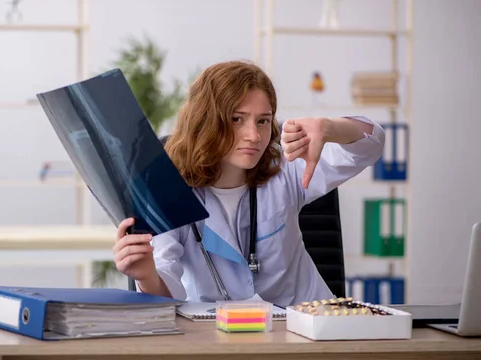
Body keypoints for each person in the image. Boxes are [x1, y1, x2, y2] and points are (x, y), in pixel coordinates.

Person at [112, 60, 385, 306]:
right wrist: (147, 275)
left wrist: (329, 128)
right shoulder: (166, 191)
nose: (254, 135)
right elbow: (164, 294)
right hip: (217, 336)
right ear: (205, 121)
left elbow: (371, 145)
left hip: (307, 332)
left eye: (263, 121)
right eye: (237, 119)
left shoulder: (285, 167)